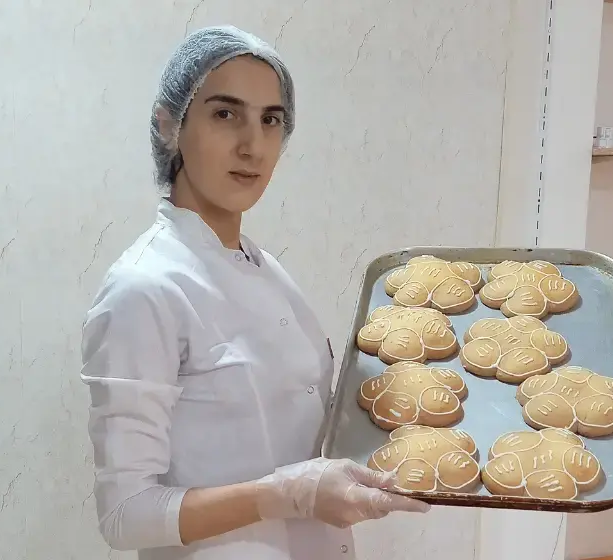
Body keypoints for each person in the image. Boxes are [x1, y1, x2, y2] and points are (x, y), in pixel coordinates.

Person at [79, 25, 430, 560]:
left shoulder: (266, 271)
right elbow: (125, 515)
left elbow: (305, 427)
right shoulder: (143, 290)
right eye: (225, 113)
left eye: (271, 119)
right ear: (168, 123)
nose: (253, 144)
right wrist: (283, 495)